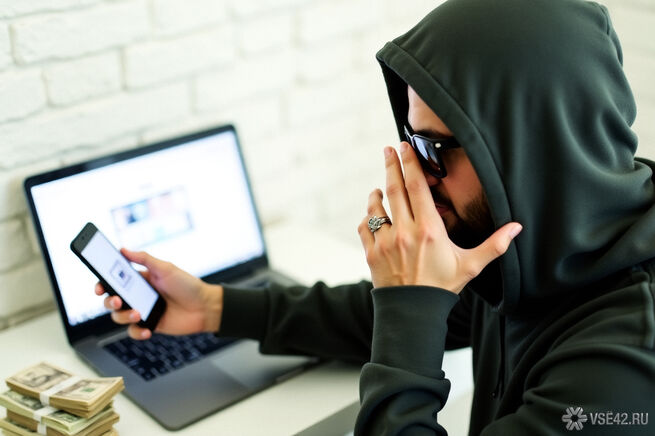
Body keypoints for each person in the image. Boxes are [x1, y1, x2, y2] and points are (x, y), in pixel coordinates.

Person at [96, 0, 655, 434]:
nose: (415, 174)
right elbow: (385, 317)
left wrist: (409, 300)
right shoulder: (528, 250)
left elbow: (411, 315)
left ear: (528, 151)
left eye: (434, 148)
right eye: (410, 139)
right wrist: (213, 307)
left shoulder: (621, 373)